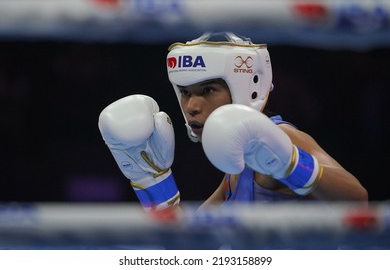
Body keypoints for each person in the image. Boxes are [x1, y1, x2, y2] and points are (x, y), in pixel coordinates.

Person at [98, 32, 368, 213]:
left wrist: (291, 163)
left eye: (207, 91)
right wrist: (153, 182)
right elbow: (189, 248)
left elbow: (358, 199)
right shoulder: (239, 163)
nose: (192, 106)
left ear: (244, 88)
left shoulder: (282, 137)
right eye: (185, 93)